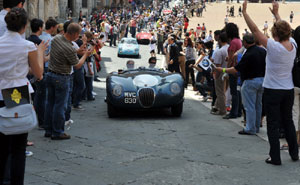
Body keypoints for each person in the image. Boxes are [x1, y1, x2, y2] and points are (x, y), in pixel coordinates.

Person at [243, 0, 298, 165]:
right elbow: (283, 30)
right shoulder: (293, 45)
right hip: (287, 89)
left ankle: (275, 157)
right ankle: (294, 153)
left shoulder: (274, 46)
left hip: (273, 90)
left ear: (276, 33)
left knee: (273, 123)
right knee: (288, 121)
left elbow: (254, 30)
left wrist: (245, 13)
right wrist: (276, 14)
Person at [0, 8, 47, 184]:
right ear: (24, 26)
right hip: (17, 91)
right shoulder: (27, 46)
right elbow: (39, 73)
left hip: (0, 91)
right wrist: (40, 51)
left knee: (2, 145)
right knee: (19, 146)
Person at [44, 23, 93, 140]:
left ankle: (48, 130)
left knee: (49, 104)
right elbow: (77, 65)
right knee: (60, 106)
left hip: (50, 74)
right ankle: (57, 132)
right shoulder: (69, 48)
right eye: (79, 34)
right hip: (62, 77)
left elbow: (65, 53)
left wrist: (77, 51)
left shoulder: (56, 39)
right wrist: (85, 54)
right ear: (75, 34)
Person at [216, 33, 266, 134]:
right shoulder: (262, 51)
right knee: (258, 105)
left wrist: (223, 70)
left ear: (246, 42)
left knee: (249, 106)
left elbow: (236, 70)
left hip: (250, 81)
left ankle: (250, 128)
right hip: (262, 80)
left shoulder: (248, 54)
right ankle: (256, 126)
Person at [224, 23, 242, 119]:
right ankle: (238, 111)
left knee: (233, 92)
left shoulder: (233, 42)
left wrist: (226, 70)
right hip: (238, 68)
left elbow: (230, 58)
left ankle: (233, 112)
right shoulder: (238, 40)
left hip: (233, 69)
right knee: (237, 92)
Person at [211, 32, 229, 116]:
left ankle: (222, 110)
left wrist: (216, 75)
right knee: (223, 91)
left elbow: (217, 66)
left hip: (221, 72)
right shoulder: (229, 48)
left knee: (220, 92)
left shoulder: (219, 51)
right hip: (228, 71)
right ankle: (216, 106)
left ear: (220, 40)